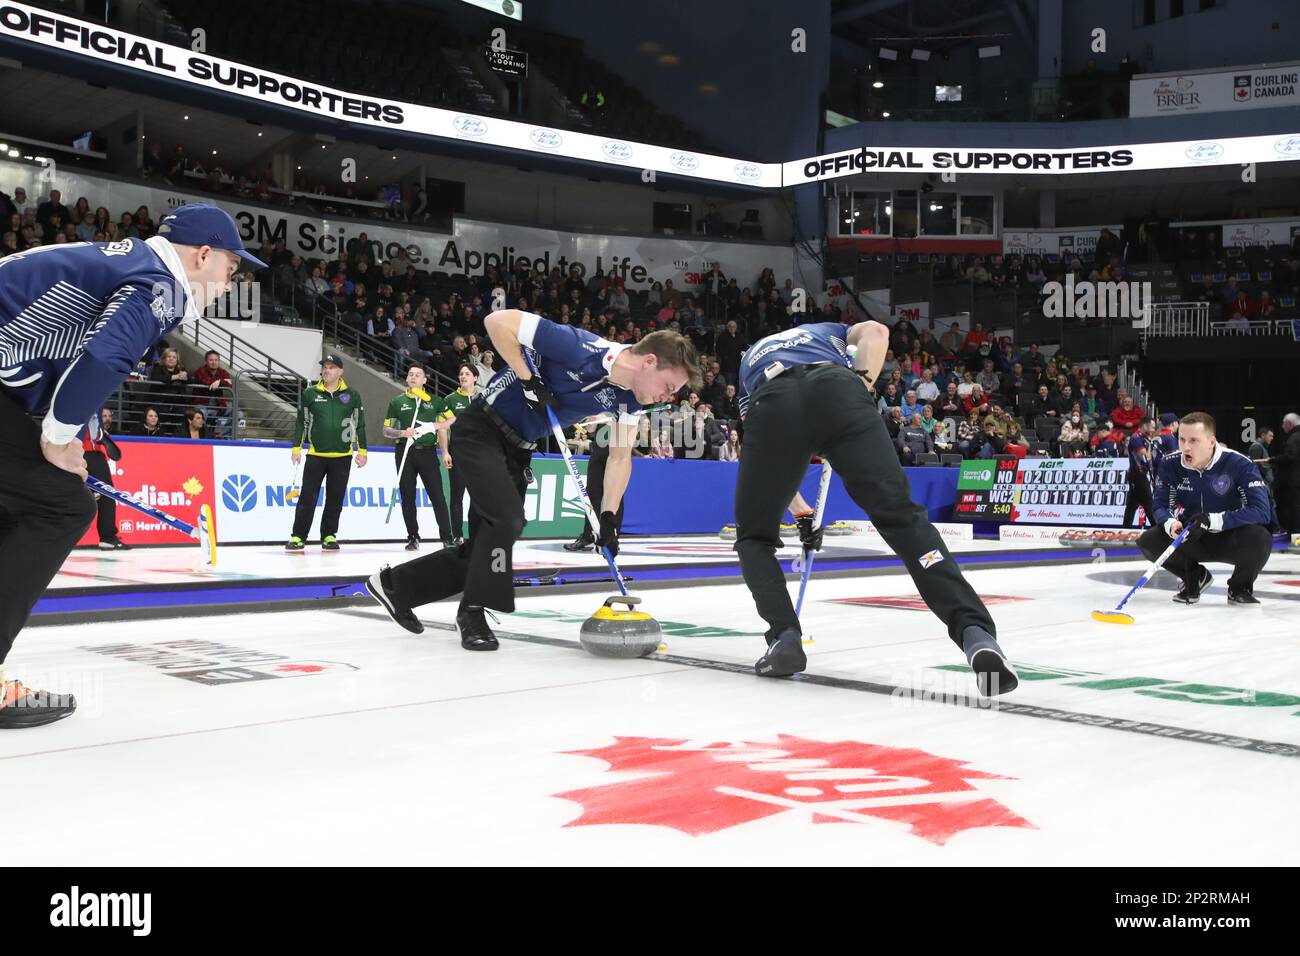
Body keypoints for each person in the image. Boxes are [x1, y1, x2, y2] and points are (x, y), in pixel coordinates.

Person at [0, 201, 262, 727]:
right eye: (231, 268)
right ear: (203, 255)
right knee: (61, 507)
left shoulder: (129, 263)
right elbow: (103, 358)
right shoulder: (160, 283)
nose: (231, 283)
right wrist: (56, 439)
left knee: (18, 510)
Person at [365, 311, 700, 651]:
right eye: (668, 386)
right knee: (507, 521)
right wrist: (528, 380)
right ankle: (464, 606)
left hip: (519, 449)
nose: (667, 397)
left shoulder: (630, 399)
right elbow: (497, 322)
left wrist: (609, 518)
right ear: (649, 361)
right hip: (481, 429)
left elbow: (619, 457)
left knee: (488, 542)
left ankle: (402, 589)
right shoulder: (580, 347)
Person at [732, 322, 1017, 695]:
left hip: (772, 403)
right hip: (838, 389)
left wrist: (801, 511)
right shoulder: (825, 331)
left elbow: (760, 453)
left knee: (755, 536)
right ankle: (975, 633)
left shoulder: (748, 362)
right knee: (902, 518)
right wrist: (862, 385)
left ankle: (784, 636)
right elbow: (878, 332)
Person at [1142, 412, 1273, 606]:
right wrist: (1171, 523)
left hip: (1231, 534)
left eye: (1194, 440)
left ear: (1212, 441)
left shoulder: (1239, 463)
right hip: (1192, 535)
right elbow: (1161, 506)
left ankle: (1239, 587)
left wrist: (1213, 520)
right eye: (1182, 439)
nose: (1186, 447)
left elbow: (1261, 511)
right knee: (1149, 540)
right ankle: (1195, 578)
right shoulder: (1170, 464)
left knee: (1260, 538)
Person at [287, 354, 368, 552]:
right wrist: (296, 448)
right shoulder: (310, 393)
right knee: (307, 496)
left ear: (340, 371)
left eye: (331, 367)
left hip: (343, 457)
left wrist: (362, 450)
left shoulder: (353, 395)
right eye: (325, 367)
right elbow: (301, 422)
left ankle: (329, 535)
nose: (327, 370)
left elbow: (360, 424)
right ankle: (298, 536)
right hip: (316, 455)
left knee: (335, 498)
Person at [385, 364, 454, 551]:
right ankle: (413, 536)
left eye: (418, 375)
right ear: (407, 379)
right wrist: (401, 432)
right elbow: (386, 430)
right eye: (410, 375)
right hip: (405, 452)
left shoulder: (435, 401)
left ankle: (447, 537)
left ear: (425, 380)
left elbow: (452, 419)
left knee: (437, 496)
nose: (413, 377)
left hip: (428, 453)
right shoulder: (397, 402)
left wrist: (435, 426)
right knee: (407, 496)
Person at [439, 364, 478, 546]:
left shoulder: (483, 398)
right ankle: (458, 535)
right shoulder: (450, 400)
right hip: (458, 454)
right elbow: (442, 429)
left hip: (479, 456)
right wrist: (445, 452)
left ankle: (476, 535)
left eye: (467, 374)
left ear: (475, 378)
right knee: (457, 497)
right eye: (461, 373)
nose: (463, 376)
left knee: (479, 497)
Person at [84, 406, 129, 550]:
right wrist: (101, 435)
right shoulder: (91, 406)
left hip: (69, 454)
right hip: (90, 454)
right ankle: (108, 537)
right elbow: (97, 435)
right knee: (107, 496)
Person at [1123, 417, 1157, 528]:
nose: (1153, 430)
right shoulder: (1136, 438)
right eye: (1152, 427)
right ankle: (1156, 528)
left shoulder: (1145, 438)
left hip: (1140, 474)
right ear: (1145, 426)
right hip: (1137, 474)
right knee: (1148, 502)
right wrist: (1151, 447)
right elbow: (1145, 457)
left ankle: (1126, 527)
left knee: (1132, 503)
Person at [1272, 413, 1300, 533]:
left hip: (1292, 481)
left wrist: (1272, 460)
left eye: (1284, 424)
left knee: (1292, 507)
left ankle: (1295, 535)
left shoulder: (1294, 438)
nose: (1282, 427)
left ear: (1289, 424)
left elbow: (1290, 456)